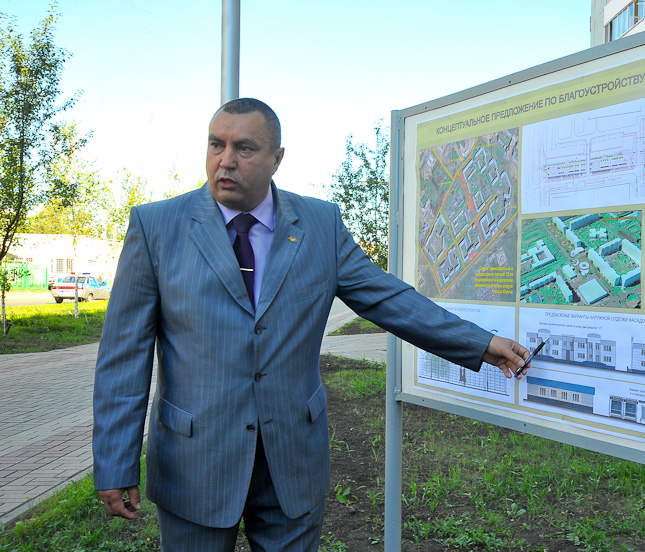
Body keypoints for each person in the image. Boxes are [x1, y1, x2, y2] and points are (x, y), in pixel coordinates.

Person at [92, 98, 530, 551]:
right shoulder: (156, 227)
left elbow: (389, 298)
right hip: (194, 462)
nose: (225, 160)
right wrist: (115, 461)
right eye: (216, 144)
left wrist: (480, 343)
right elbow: (124, 356)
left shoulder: (320, 225)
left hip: (291, 461)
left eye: (244, 148)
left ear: (277, 158)